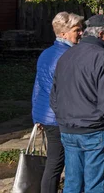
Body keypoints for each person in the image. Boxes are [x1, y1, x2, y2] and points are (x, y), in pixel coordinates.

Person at [50, 14, 104, 193]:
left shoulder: (66, 56)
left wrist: (64, 120)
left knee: (72, 185)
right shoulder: (103, 57)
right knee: (96, 186)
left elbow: (54, 97)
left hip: (70, 130)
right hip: (95, 131)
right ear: (102, 35)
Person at [32, 12, 83, 193]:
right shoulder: (69, 56)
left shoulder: (46, 54)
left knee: (54, 162)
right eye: (76, 30)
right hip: (60, 116)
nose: (81, 33)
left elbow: (38, 86)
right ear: (63, 33)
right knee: (61, 163)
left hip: (47, 114)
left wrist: (36, 115)